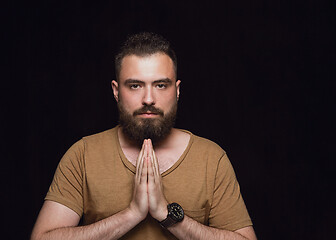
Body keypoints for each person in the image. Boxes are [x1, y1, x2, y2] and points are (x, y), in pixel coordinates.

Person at [31, 32, 257, 240]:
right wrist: (132, 214)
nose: (148, 99)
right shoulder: (83, 155)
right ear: (116, 90)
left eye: (160, 85)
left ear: (177, 91)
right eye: (135, 85)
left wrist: (166, 215)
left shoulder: (211, 159)